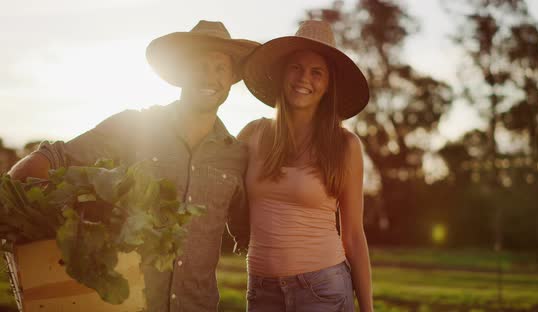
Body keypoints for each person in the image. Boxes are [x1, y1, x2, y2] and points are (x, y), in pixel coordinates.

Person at [9, 20, 260, 312]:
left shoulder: (237, 156)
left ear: (231, 79)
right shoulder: (133, 126)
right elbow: (54, 158)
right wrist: (16, 198)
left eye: (220, 68)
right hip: (129, 305)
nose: (210, 77)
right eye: (200, 66)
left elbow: (252, 232)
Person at [238, 20, 373, 312]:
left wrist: (368, 308)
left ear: (327, 85)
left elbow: (352, 234)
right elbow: (222, 194)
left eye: (316, 72)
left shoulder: (345, 145)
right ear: (283, 73)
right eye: (296, 67)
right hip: (261, 290)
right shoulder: (252, 134)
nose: (304, 79)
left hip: (322, 288)